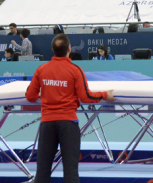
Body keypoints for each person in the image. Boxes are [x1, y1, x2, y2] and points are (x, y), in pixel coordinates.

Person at [26, 34, 115, 183]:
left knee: (42, 173)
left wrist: (45, 90)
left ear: (53, 50)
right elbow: (86, 97)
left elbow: (30, 96)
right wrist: (105, 94)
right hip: (68, 124)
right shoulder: (75, 70)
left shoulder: (41, 70)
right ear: (69, 49)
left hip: (47, 124)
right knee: (71, 172)